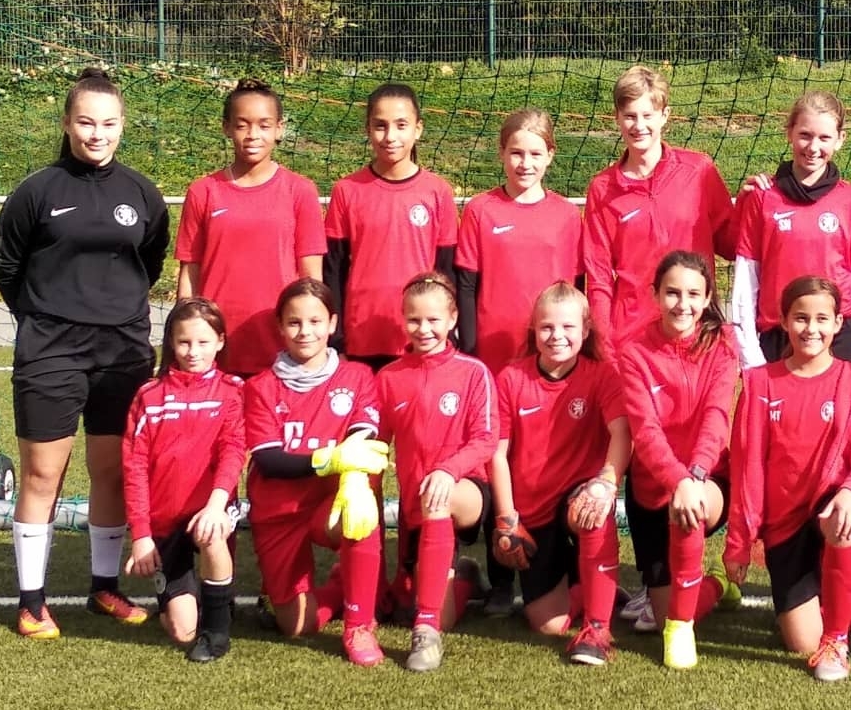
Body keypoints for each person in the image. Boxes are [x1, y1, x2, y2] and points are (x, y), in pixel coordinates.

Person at [0, 68, 170, 639]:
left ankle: (104, 589)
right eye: (87, 122)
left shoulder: (141, 193)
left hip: (123, 352)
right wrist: (43, 319)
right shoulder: (36, 191)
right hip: (51, 351)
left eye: (109, 123)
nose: (98, 134)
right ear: (68, 123)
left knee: (112, 472)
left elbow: (150, 260)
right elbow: (6, 265)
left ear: (123, 125)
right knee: (43, 474)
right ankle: (31, 602)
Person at [584, 65, 736, 625]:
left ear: (666, 115)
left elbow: (732, 239)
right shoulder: (603, 189)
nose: (639, 125)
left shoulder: (698, 171)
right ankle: (653, 579)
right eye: (629, 116)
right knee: (639, 457)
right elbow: (597, 275)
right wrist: (606, 343)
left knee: (696, 442)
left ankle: (698, 569)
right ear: (617, 119)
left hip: (696, 343)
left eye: (648, 114)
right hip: (634, 350)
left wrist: (763, 201)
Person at [726, 276, 851, 683]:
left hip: (835, 503)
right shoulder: (760, 384)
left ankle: (837, 641)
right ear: (783, 321)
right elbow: (747, 467)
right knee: (800, 641)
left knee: (841, 519)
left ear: (838, 324)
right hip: (785, 523)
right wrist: (739, 542)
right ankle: (845, 599)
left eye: (821, 319)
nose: (810, 328)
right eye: (800, 318)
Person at [456, 108, 583, 617]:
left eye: (535, 153)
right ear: (501, 154)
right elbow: (466, 285)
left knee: (547, 455)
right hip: (494, 360)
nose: (524, 163)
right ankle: (501, 574)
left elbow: (576, 289)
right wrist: (470, 352)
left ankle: (571, 565)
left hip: (550, 359)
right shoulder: (481, 211)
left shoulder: (566, 215)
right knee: (498, 459)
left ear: (550, 156)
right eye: (516, 153)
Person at [244, 279, 390, 666]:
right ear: (280, 326)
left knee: (361, 508)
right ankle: (344, 585)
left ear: (332, 323)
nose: (305, 331)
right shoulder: (260, 387)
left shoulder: (358, 376)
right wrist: (327, 460)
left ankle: (359, 625)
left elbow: (363, 435)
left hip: (329, 502)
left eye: (315, 321)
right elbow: (268, 460)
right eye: (294, 322)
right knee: (296, 625)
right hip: (278, 510)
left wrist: (353, 477)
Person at [489, 282, 630, 665]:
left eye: (568, 327)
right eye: (547, 327)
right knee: (548, 624)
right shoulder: (511, 378)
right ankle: (594, 584)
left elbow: (622, 433)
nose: (557, 336)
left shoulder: (602, 375)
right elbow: (497, 453)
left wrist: (606, 482)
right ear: (533, 330)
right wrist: (507, 518)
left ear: (585, 330)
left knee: (592, 506)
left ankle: (598, 628)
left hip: (575, 496)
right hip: (533, 513)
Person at [618, 251, 741, 670]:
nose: (682, 304)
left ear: (707, 298)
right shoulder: (634, 351)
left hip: (707, 480)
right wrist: (677, 479)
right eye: (672, 293)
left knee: (689, 510)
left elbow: (716, 418)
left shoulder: (722, 346)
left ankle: (681, 630)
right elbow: (645, 431)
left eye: (692, 294)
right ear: (655, 294)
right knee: (655, 615)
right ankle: (716, 585)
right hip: (651, 487)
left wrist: (695, 476)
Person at [376, 272, 498, 672]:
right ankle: (464, 575)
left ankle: (426, 634)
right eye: (414, 320)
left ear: (452, 320)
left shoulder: (474, 372)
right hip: (416, 504)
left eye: (433, 320)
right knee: (414, 605)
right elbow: (377, 448)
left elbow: (485, 439)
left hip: (465, 491)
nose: (423, 329)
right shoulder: (389, 377)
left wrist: (448, 470)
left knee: (437, 498)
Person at [122, 298, 246, 662]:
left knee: (212, 533)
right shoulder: (149, 396)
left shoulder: (231, 390)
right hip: (164, 520)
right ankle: (186, 604)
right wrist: (142, 535)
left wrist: (216, 505)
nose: (194, 352)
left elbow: (233, 451)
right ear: (171, 343)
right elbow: (134, 468)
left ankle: (217, 632)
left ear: (220, 341)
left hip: (210, 511)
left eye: (203, 342)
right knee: (181, 631)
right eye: (184, 342)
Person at [175, 78, 325, 377]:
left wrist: (310, 340)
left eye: (264, 125)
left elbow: (311, 279)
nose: (253, 135)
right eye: (242, 125)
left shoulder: (300, 190)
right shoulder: (203, 191)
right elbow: (190, 271)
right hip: (217, 345)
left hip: (280, 347)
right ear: (226, 128)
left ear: (279, 129)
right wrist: (188, 329)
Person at [731, 90, 851, 376]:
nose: (813, 147)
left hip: (839, 333)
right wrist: (749, 354)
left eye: (824, 138)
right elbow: (746, 279)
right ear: (789, 132)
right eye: (805, 135)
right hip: (779, 330)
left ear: (840, 139)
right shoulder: (762, 197)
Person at [324, 84, 458, 371]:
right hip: (361, 338)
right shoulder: (347, 190)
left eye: (401, 125)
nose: (390, 136)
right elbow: (333, 270)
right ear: (368, 129)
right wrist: (336, 338)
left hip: (420, 337)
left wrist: (447, 330)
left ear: (418, 129)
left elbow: (446, 271)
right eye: (380, 126)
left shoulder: (437, 192)